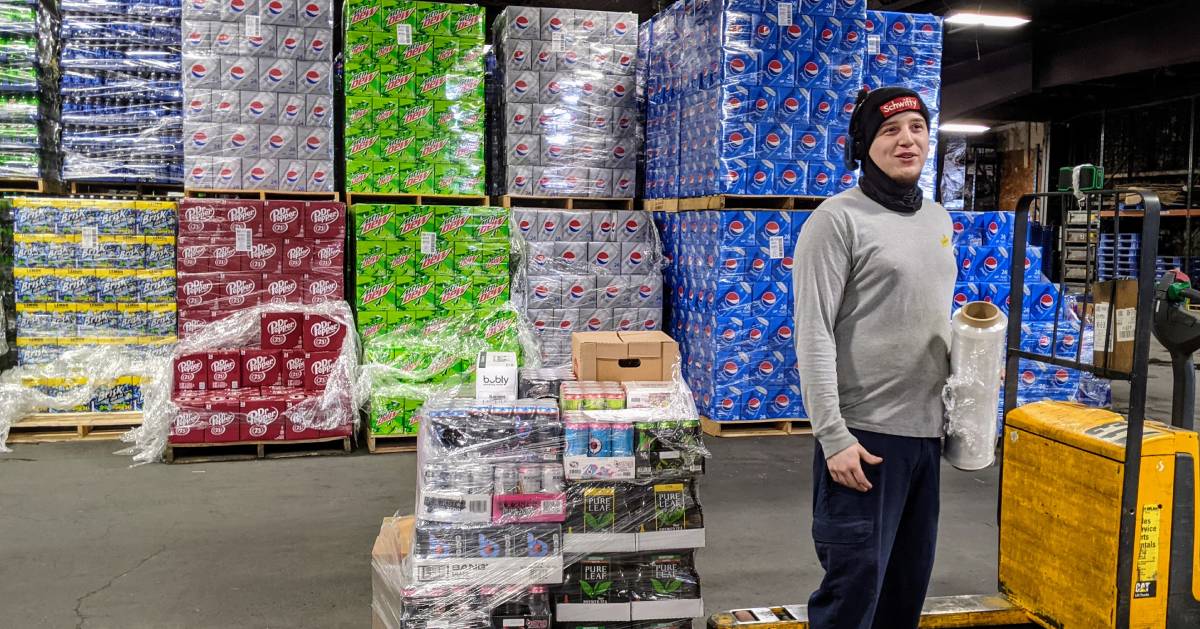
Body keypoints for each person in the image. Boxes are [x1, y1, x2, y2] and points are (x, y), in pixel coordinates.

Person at [792, 86, 956, 629]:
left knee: (904, 593)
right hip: (864, 441)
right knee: (852, 596)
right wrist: (833, 437)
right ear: (862, 145)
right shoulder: (835, 220)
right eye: (890, 131)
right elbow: (812, 333)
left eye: (916, 127)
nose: (907, 140)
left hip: (924, 439)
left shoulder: (937, 220)